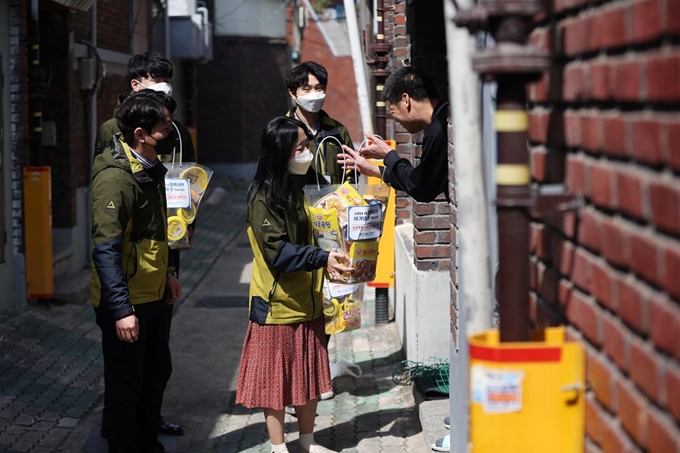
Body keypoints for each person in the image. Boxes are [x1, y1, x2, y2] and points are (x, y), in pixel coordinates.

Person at [236, 116, 353, 453]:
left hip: (310, 297)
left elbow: (325, 220)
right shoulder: (263, 197)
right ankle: (277, 447)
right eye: (299, 147)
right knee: (275, 381)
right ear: (280, 153)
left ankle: (306, 441)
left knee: (310, 375)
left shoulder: (309, 182)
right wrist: (321, 259)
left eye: (307, 145)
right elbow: (278, 253)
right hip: (275, 302)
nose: (307, 152)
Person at [95, 51, 192, 436]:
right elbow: (109, 228)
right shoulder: (117, 146)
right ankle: (120, 431)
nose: (167, 132)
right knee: (126, 372)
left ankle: (147, 427)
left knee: (156, 361)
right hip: (130, 272)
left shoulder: (171, 130)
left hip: (160, 258)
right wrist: (121, 307)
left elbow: (186, 180)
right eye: (156, 80)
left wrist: (173, 257)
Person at [337, 66, 449, 202]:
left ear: (406, 100)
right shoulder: (444, 115)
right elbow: (417, 180)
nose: (394, 118)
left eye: (392, 110)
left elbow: (421, 188)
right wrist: (374, 169)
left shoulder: (437, 129)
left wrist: (389, 155)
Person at [285, 61, 355, 184]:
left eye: (319, 88)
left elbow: (351, 171)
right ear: (292, 93)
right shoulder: (282, 131)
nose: (314, 94)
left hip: (334, 201)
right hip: (298, 202)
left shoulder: (338, 130)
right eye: (306, 89)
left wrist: (342, 197)